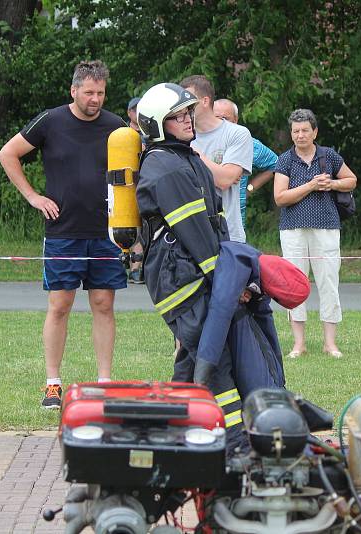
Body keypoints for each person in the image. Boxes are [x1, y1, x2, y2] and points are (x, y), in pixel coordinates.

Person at [0, 60, 127, 409]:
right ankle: (53, 383)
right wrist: (33, 196)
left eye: (100, 92)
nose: (95, 99)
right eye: (89, 92)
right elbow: (8, 154)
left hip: (105, 232)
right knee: (60, 305)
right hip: (62, 231)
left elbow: (134, 174)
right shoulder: (50, 121)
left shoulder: (118, 128)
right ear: (74, 91)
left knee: (103, 304)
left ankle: (104, 382)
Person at [133, 82, 244, 448]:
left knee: (190, 355)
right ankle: (236, 442)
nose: (187, 120)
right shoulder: (165, 167)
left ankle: (168, 432)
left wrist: (233, 267)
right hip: (179, 278)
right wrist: (224, 278)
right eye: (177, 116)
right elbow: (195, 231)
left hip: (192, 271)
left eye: (187, 113)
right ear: (158, 125)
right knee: (213, 357)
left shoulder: (187, 157)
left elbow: (215, 219)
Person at [273, 108, 357, 358]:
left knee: (329, 281)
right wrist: (310, 186)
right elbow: (280, 197)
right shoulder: (285, 160)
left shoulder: (329, 156)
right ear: (291, 134)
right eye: (295, 131)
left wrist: (331, 183)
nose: (300, 135)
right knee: (294, 284)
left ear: (314, 132)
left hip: (327, 227)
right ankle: (299, 344)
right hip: (293, 229)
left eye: (305, 130)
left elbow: (351, 180)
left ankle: (330, 344)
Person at [194, 241, 310, 398]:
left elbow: (265, 320)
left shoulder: (262, 266)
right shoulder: (236, 265)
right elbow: (219, 316)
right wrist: (200, 379)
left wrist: (279, 378)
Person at [180, 75, 253, 243]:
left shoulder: (237, 133)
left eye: (188, 101)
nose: (183, 108)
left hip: (228, 235)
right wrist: (217, 170)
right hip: (190, 236)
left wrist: (192, 151)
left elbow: (225, 179)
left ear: (205, 101)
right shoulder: (179, 136)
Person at [213, 98, 279, 226]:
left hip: (235, 222)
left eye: (226, 118)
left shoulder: (248, 144)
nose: (221, 123)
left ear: (236, 120)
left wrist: (249, 188)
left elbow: (277, 164)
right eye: (217, 117)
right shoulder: (199, 141)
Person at [126, 96, 146, 284]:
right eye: (135, 109)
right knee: (128, 226)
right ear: (129, 113)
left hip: (145, 185)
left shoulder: (151, 133)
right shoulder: (122, 134)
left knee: (143, 226)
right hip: (126, 188)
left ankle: (139, 269)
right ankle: (131, 267)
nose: (138, 112)